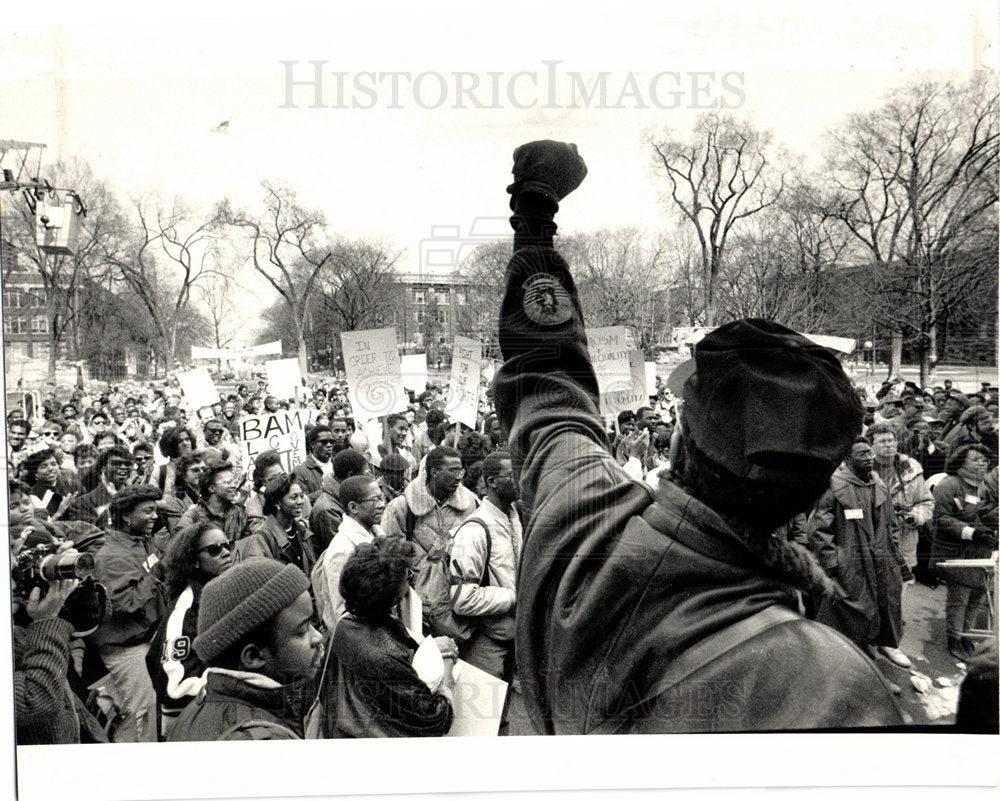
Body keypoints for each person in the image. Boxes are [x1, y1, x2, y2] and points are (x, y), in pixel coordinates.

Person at [491, 140, 901, 734]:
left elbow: (545, 380)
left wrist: (535, 223)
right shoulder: (827, 681)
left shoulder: (582, 514)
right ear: (814, 498)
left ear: (681, 440)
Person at [168, 558, 323, 741]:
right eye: (302, 630)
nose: (318, 637)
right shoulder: (263, 740)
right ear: (254, 656)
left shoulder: (196, 708)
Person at [330, 538, 456, 737]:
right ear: (393, 596)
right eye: (408, 576)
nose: (411, 579)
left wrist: (427, 648)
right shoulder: (385, 658)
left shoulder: (345, 624)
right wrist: (446, 671)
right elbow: (434, 719)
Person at [807, 438, 907, 672]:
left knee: (883, 608)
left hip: (881, 561)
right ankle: (847, 668)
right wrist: (833, 564)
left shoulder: (880, 486)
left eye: (870, 452)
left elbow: (892, 525)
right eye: (861, 454)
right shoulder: (835, 486)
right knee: (851, 615)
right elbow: (818, 530)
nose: (869, 457)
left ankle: (873, 657)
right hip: (851, 564)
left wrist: (897, 558)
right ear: (848, 459)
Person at [91, 484, 168, 742]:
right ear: (126, 517)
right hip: (126, 647)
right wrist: (155, 576)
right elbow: (125, 604)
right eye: (148, 512)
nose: (155, 517)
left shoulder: (142, 542)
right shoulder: (111, 555)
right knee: (143, 714)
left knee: (145, 708)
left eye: (155, 511)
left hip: (145, 639)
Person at [145, 521, 234, 738]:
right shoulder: (184, 609)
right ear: (193, 561)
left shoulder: (219, 590)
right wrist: (238, 683)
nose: (225, 553)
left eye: (227, 545)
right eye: (214, 550)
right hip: (192, 728)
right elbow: (174, 689)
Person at [449, 450, 521, 680]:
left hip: (512, 637)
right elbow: (462, 599)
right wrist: (513, 597)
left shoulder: (514, 517)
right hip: (485, 641)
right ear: (492, 482)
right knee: (483, 713)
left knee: (504, 710)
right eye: (512, 475)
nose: (520, 480)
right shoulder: (474, 530)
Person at [930, 444, 998, 660]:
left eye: (984, 460)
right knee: (959, 598)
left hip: (981, 553)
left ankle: (966, 636)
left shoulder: (986, 488)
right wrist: (971, 532)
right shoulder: (949, 484)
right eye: (976, 459)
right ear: (961, 462)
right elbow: (940, 518)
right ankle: (954, 638)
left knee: (977, 596)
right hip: (956, 552)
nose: (982, 463)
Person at [312, 475, 387, 632]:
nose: (382, 505)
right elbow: (343, 614)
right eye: (375, 500)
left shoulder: (377, 533)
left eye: (382, 498)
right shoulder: (342, 551)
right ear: (353, 507)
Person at [867, 422, 934, 597]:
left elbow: (926, 502)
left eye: (891, 440)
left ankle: (896, 620)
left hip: (904, 539)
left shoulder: (911, 469)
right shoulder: (862, 469)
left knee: (899, 588)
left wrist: (915, 516)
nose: (888, 445)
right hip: (871, 538)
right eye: (882, 441)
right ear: (871, 445)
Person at [237, 475, 318, 577]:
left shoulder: (302, 531)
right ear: (277, 502)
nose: (301, 501)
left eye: (301, 496)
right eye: (294, 497)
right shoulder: (261, 539)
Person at [310, 448, 370, 552]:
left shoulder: (343, 498)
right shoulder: (327, 509)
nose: (368, 479)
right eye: (364, 475)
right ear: (350, 475)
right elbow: (348, 548)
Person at [177, 463, 252, 543]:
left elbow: (247, 547)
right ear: (212, 488)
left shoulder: (239, 515)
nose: (234, 486)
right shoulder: (192, 517)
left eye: (234, 482)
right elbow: (179, 548)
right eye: (228, 482)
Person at [293, 424, 336, 502]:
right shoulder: (300, 471)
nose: (329, 445)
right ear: (313, 444)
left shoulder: (339, 464)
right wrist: (326, 489)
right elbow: (302, 500)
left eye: (332, 442)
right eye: (324, 442)